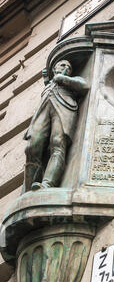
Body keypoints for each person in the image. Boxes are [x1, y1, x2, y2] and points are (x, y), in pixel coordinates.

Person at [23, 59, 88, 192]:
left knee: (58, 144)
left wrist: (63, 78)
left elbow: (84, 85)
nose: (67, 68)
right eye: (63, 65)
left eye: (69, 67)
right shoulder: (49, 84)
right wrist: (48, 81)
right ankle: (29, 188)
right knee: (32, 147)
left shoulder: (68, 79)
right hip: (42, 113)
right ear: (54, 68)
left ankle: (47, 184)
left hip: (64, 109)